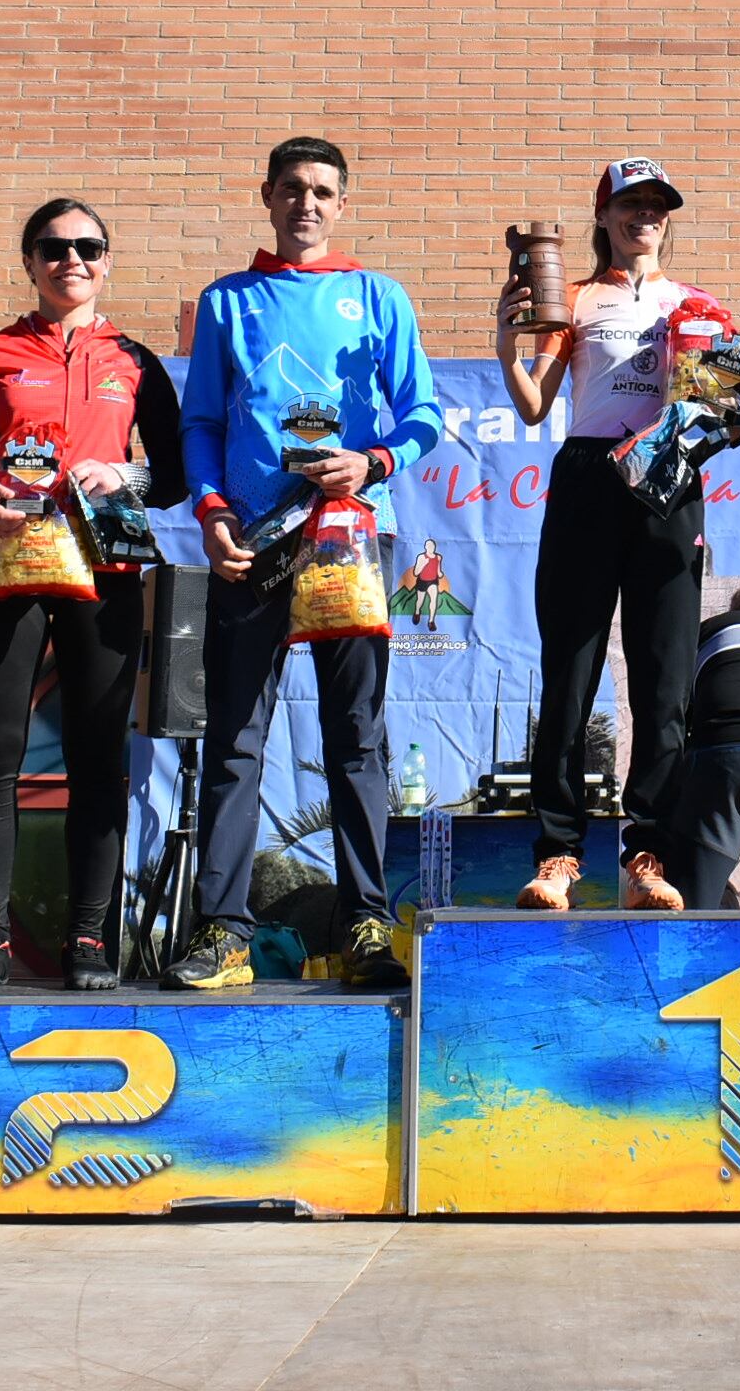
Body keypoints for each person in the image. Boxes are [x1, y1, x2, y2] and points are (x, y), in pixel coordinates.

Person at [170, 137, 442, 991]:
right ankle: (224, 931)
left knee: (356, 737)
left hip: (352, 536)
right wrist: (212, 510)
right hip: (252, 541)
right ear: (267, 197)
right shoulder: (228, 302)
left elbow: (424, 412)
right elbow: (200, 424)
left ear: (342, 203)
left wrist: (372, 464)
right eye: (292, 189)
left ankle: (365, 922)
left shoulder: (379, 297)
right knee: (234, 738)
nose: (308, 204)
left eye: (324, 191)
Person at [0, 199, 187, 993]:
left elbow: (174, 477)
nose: (71, 259)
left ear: (107, 262)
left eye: (88, 247)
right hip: (4, 566)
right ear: (30, 261)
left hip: (105, 572)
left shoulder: (134, 360)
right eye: (54, 247)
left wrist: (127, 476)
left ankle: (86, 941)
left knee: (98, 761)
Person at [495, 155, 722, 912]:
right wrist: (506, 344)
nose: (644, 218)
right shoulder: (577, 299)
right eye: (630, 205)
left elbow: (718, 407)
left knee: (664, 685)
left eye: (657, 206)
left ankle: (647, 856)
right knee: (570, 675)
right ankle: (558, 855)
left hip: (668, 478)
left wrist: (727, 406)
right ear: (604, 216)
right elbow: (534, 404)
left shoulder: (696, 304)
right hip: (590, 475)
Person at [667, 579, 740, 909]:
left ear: (739, 608)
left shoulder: (710, 630)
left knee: (696, 904)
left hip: (723, 759)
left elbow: (677, 711)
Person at [403, 540, 447, 632]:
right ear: (426, 547)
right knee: (420, 601)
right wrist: (423, 564)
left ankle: (431, 621)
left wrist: (440, 574)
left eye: (433, 546)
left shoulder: (438, 557)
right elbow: (416, 572)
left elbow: (438, 571)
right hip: (422, 581)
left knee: (433, 600)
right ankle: (417, 612)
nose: (431, 548)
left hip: (433, 581)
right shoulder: (421, 557)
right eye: (429, 546)